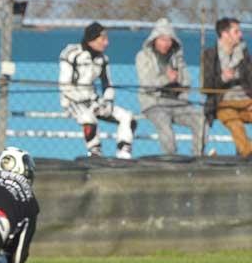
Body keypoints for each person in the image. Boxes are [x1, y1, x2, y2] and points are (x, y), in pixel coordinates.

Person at [59, 22, 137, 158]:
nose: (106, 43)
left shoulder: (103, 59)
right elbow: (64, 84)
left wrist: (107, 101)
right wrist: (83, 100)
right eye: (103, 39)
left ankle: (124, 153)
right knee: (88, 118)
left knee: (128, 117)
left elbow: (107, 84)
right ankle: (95, 153)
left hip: (94, 100)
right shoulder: (71, 53)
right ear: (92, 39)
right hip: (72, 101)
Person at [135, 18, 206, 156]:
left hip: (177, 102)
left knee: (201, 119)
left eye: (169, 40)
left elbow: (187, 80)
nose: (166, 43)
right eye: (162, 39)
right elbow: (146, 84)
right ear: (154, 40)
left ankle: (198, 157)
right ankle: (170, 160)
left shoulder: (177, 57)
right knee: (165, 125)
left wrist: (177, 77)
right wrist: (166, 78)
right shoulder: (143, 57)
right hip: (154, 103)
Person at [202, 17, 252, 157]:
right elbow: (206, 87)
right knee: (235, 123)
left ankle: (245, 152)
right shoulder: (210, 55)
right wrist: (223, 78)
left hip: (246, 100)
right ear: (225, 34)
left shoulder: (244, 53)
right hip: (223, 102)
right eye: (236, 32)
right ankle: (248, 153)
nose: (241, 35)